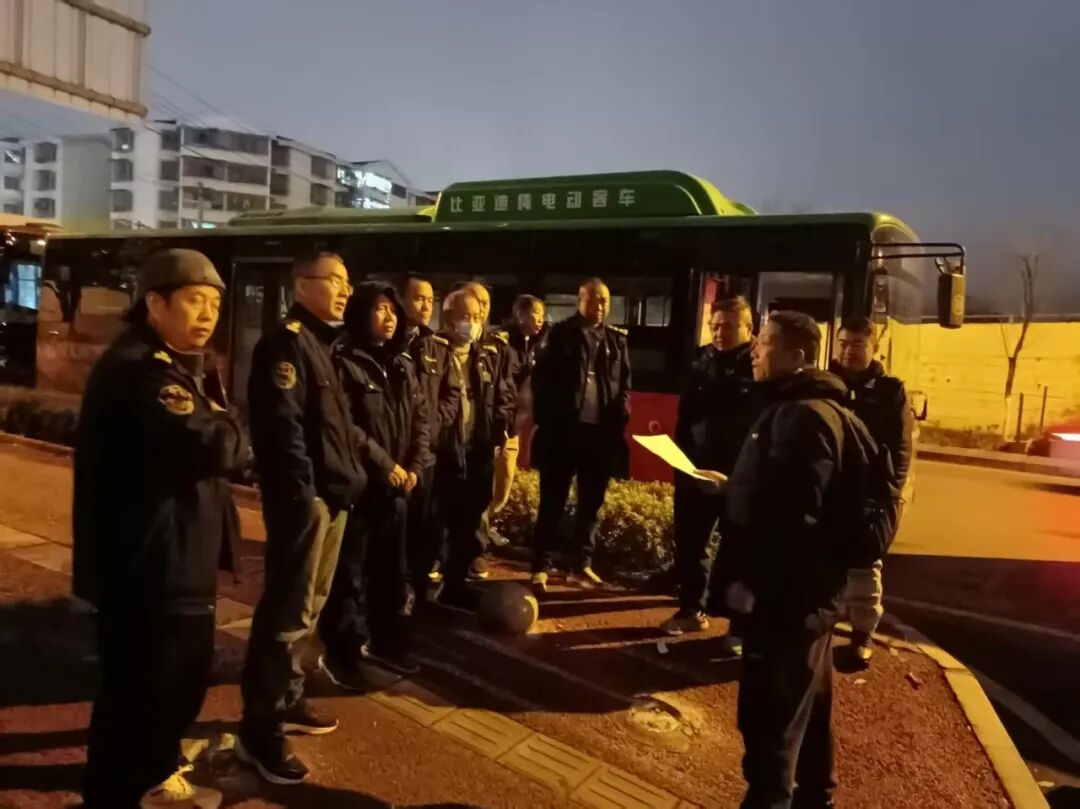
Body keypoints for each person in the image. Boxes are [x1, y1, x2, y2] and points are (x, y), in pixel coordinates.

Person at [74, 249, 248, 808]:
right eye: (195, 301)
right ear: (155, 303)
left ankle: (148, 771)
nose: (208, 314)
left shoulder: (165, 364)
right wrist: (229, 420)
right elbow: (217, 447)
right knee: (147, 688)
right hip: (151, 563)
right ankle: (128, 789)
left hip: (167, 555)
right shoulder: (142, 371)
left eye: (215, 303)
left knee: (163, 684)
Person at [697, 310, 850, 809]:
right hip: (811, 598)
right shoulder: (812, 409)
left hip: (785, 601)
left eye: (764, 343)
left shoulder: (802, 418)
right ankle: (816, 798)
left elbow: (791, 520)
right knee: (811, 711)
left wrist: (752, 586)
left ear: (797, 356)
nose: (755, 352)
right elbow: (783, 495)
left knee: (770, 730)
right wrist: (733, 487)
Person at [239, 251, 367, 785]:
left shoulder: (323, 343)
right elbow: (284, 430)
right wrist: (305, 496)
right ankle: (260, 729)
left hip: (331, 498)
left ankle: (288, 700)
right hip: (307, 502)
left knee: (310, 607)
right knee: (287, 612)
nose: (345, 291)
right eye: (335, 280)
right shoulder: (287, 343)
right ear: (301, 286)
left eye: (347, 281)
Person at [320, 281, 429, 683]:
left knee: (391, 573)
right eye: (380, 309)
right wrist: (385, 465)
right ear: (361, 312)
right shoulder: (343, 360)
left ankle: (387, 643)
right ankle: (342, 654)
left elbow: (421, 419)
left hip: (397, 489)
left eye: (393, 310)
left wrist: (415, 465)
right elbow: (346, 425)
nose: (390, 317)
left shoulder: (402, 362)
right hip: (362, 487)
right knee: (349, 576)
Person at [662, 296, 755, 654]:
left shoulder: (757, 365)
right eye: (714, 326)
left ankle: (739, 627)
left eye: (729, 326)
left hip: (737, 476)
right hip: (695, 469)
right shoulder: (701, 360)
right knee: (690, 544)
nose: (719, 333)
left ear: (749, 328)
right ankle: (691, 609)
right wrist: (682, 461)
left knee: (739, 553)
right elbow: (686, 416)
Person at [530, 278, 630, 594]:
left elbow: (624, 385)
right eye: (593, 299)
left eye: (604, 300)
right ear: (580, 301)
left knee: (591, 505)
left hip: (599, 435)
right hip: (562, 433)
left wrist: (620, 416)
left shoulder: (617, 341)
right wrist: (549, 420)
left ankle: (581, 565)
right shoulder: (559, 334)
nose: (599, 306)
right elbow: (540, 382)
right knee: (552, 501)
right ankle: (541, 565)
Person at [831, 317, 913, 664]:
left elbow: (902, 450)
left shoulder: (890, 392)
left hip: (869, 495)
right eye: (843, 343)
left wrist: (889, 493)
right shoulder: (826, 384)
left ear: (874, 348)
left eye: (858, 344)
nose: (848, 351)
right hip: (831, 490)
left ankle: (861, 637)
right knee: (823, 567)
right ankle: (820, 631)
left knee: (866, 570)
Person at [431, 288, 514, 610]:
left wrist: (500, 426)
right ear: (448, 318)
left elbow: (502, 393)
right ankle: (419, 591)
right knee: (434, 522)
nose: (473, 324)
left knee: (469, 522)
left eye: (478, 317)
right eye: (465, 317)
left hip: (476, 451)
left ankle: (454, 585)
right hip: (442, 453)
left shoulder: (487, 353)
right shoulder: (432, 352)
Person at [395, 273, 453, 592]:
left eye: (431, 300)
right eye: (419, 298)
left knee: (422, 523)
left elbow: (452, 394)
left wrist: (432, 423)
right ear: (400, 300)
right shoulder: (386, 342)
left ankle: (415, 588)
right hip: (393, 451)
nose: (426, 306)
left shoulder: (437, 345)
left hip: (425, 451)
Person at [460, 280, 519, 553]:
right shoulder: (443, 343)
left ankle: (474, 554)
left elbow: (507, 390)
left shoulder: (498, 346)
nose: (481, 309)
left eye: (485, 303)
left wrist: (501, 424)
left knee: (479, 497)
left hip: (482, 437)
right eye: (477, 302)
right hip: (453, 436)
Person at [485, 294, 548, 545]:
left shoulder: (533, 344)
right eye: (536, 314)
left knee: (504, 482)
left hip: (513, 427)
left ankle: (487, 524)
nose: (540, 320)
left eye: (543, 316)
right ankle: (476, 533)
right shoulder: (500, 341)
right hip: (494, 424)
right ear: (520, 315)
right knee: (484, 481)